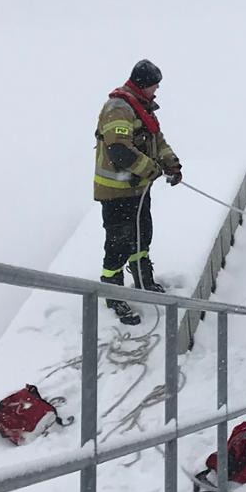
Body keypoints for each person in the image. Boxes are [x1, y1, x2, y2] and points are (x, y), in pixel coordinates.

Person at [93, 59, 183, 325]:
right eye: (155, 85)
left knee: (142, 234)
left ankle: (143, 279)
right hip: (117, 191)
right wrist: (150, 169)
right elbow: (119, 149)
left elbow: (157, 141)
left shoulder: (142, 107)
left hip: (137, 190)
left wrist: (172, 164)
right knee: (118, 242)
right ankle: (113, 292)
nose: (157, 90)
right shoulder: (118, 109)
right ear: (143, 84)